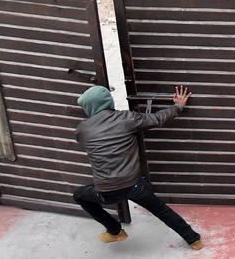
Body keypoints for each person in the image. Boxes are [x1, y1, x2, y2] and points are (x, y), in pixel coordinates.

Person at [73, 85, 202, 250]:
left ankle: (114, 230)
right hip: (134, 185)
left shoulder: (82, 130)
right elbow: (157, 118)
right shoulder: (127, 118)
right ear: (108, 102)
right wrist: (178, 106)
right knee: (161, 210)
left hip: (106, 190)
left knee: (79, 195)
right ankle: (194, 240)